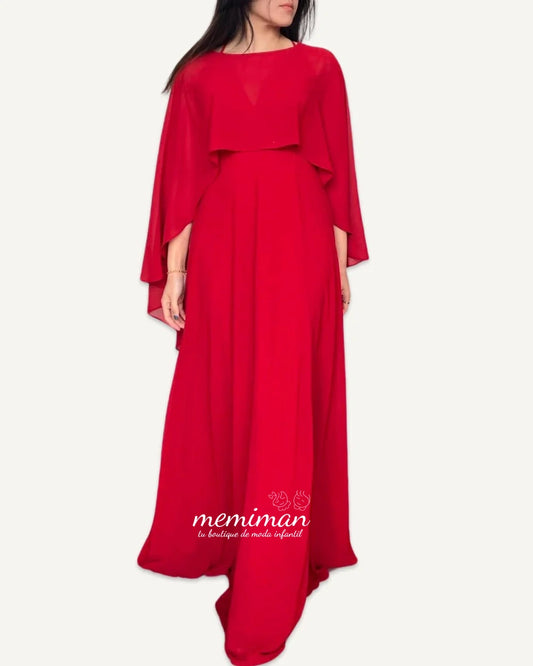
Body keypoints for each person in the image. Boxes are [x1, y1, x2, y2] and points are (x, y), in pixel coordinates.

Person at [137, 1, 370, 664]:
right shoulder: (198, 77)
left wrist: (337, 267)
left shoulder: (320, 68)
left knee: (286, 398)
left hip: (300, 247)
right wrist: (175, 273)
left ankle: (275, 564)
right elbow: (182, 178)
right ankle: (236, 536)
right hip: (223, 249)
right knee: (227, 394)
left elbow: (337, 175)